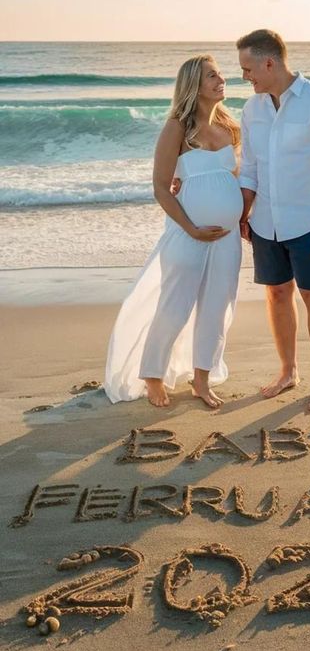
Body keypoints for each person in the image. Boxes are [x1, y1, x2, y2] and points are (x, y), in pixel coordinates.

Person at [104, 55, 242, 409]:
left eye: (220, 74)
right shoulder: (177, 128)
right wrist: (192, 228)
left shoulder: (230, 128)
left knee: (217, 306)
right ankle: (152, 375)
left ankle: (201, 379)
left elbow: (233, 178)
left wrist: (242, 218)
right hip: (187, 234)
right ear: (194, 85)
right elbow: (162, 188)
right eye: (212, 75)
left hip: (226, 238)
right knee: (174, 306)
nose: (221, 79)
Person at [237, 29, 310, 412]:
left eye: (248, 68)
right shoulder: (252, 108)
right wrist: (243, 212)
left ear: (270, 63)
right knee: (277, 293)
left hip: (309, 223)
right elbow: (250, 166)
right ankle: (288, 371)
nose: (245, 77)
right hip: (265, 222)